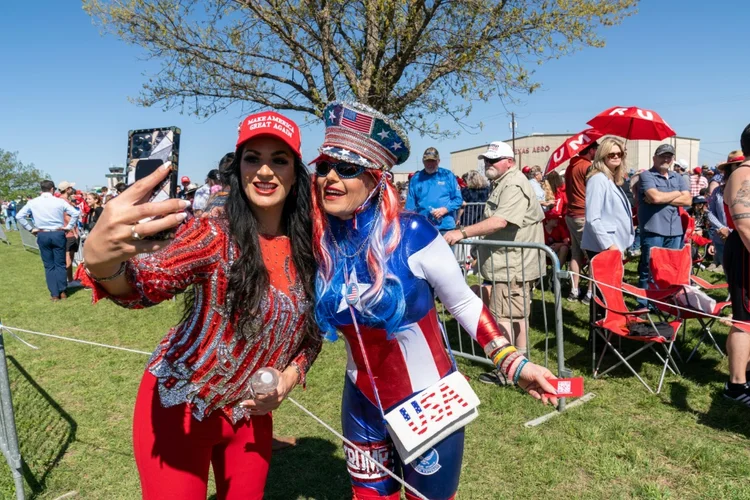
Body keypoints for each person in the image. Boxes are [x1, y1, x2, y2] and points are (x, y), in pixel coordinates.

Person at [311, 102, 557, 500]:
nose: (331, 178)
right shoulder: (320, 243)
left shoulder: (414, 233)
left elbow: (462, 303)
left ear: (376, 178)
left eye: (348, 168)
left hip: (428, 401)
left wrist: (514, 363)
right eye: (324, 167)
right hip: (360, 402)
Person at [79, 111, 321, 498]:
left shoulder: (313, 247)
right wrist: (103, 263)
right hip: (179, 405)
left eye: (279, 160)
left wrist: (291, 376)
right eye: (252, 158)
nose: (264, 171)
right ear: (238, 168)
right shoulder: (213, 231)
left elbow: (313, 333)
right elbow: (147, 283)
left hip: (249, 414)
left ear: (295, 173)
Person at [445, 141, 544, 362]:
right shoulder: (502, 182)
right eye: (487, 160)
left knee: (506, 316)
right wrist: (479, 247)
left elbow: (500, 221)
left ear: (510, 162)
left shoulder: (513, 184)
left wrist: (461, 233)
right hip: (507, 262)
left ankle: (510, 367)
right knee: (515, 314)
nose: (488, 163)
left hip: (512, 264)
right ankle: (519, 362)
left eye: (494, 159)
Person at [636, 144, 692, 304]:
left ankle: (663, 301)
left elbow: (688, 200)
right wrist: (676, 194)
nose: (666, 159)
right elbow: (655, 198)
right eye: (662, 156)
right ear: (654, 158)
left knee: (669, 269)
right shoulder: (646, 176)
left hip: (674, 230)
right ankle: (644, 303)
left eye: (669, 156)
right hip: (653, 229)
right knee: (648, 267)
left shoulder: (678, 177)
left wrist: (662, 197)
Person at [720, 123, 750, 406]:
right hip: (744, 253)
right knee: (745, 319)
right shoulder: (744, 173)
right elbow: (744, 225)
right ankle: (736, 386)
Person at [16, 180, 80, 300]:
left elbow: (19, 216)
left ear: (42, 189)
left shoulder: (33, 202)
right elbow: (75, 214)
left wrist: (31, 229)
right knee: (60, 264)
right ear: (52, 189)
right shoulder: (59, 201)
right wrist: (68, 227)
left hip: (43, 233)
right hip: (58, 233)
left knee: (49, 266)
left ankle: (54, 294)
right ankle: (62, 291)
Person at [582, 138, 634, 258]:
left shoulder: (611, 179)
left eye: (619, 154)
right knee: (604, 277)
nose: (616, 157)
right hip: (604, 245)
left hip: (614, 243)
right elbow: (593, 218)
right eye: (611, 154)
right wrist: (609, 245)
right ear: (603, 156)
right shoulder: (598, 179)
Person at [565, 140, 598, 304]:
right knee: (592, 255)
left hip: (571, 214)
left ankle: (574, 290)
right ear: (591, 150)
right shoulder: (587, 166)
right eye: (596, 149)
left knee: (576, 253)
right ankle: (590, 293)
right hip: (582, 215)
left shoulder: (572, 165)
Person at [405, 147, 464, 234]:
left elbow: (458, 200)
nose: (430, 164)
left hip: (445, 228)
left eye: (433, 161)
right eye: (427, 161)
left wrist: (445, 209)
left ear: (438, 161)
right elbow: (410, 206)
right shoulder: (416, 178)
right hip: (423, 227)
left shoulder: (447, 175)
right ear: (423, 161)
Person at [708, 152, 745, 271]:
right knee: (729, 274)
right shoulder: (718, 191)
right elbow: (710, 212)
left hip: (743, 237)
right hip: (721, 237)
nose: (741, 167)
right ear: (729, 169)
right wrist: (721, 228)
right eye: (738, 165)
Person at [57, 181, 82, 282]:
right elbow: (67, 218)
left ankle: (69, 279)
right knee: (68, 258)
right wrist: (74, 232)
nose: (72, 189)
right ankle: (70, 280)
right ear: (67, 189)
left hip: (63, 232)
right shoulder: (64, 201)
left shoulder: (59, 200)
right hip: (69, 233)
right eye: (70, 188)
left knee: (67, 257)